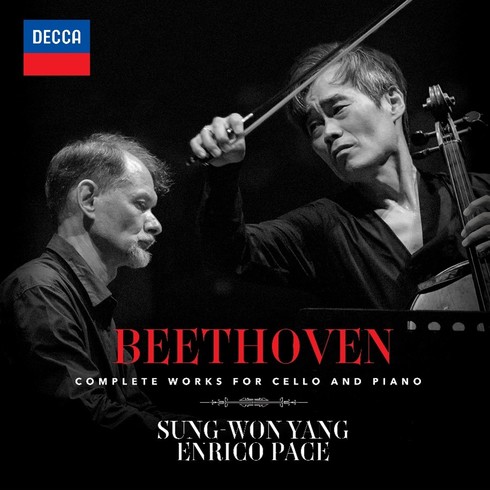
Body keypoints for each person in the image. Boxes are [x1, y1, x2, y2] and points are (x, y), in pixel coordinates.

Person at [189, 42, 490, 311]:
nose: (328, 132)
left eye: (338, 108)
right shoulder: (321, 228)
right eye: (314, 126)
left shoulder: (482, 194)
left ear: (393, 101)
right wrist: (223, 170)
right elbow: (228, 257)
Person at [0, 132, 176, 453]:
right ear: (88, 199)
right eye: (141, 204)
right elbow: (84, 417)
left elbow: (136, 408)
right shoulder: (39, 289)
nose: (156, 225)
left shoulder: (93, 302)